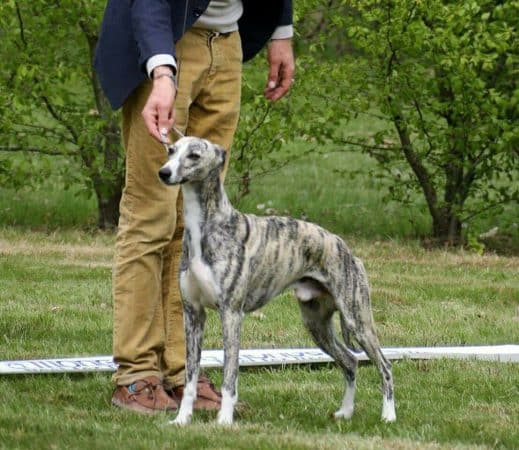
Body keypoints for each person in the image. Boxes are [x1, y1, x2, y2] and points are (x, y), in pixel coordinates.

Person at [94, 0, 295, 414]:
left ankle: (184, 372)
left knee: (198, 224)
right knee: (150, 218)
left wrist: (281, 32)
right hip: (166, 44)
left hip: (229, 42)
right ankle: (136, 375)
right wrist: (162, 72)